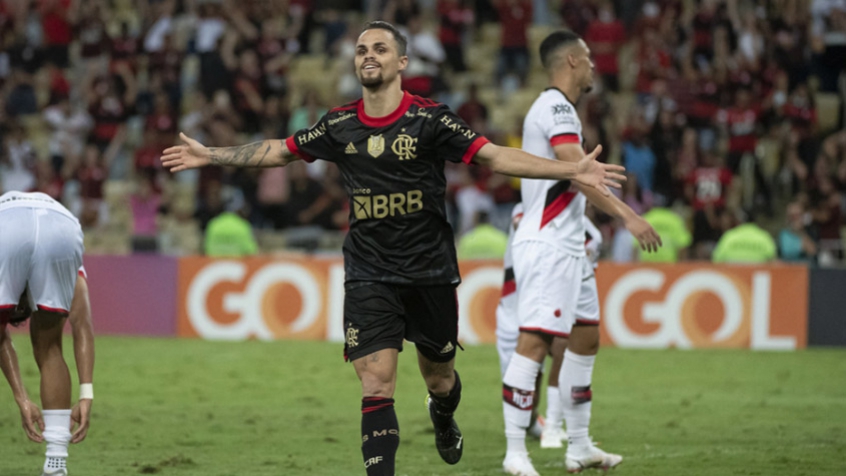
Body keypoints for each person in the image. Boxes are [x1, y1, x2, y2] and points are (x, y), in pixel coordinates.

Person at [161, 21, 626, 476]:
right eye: (362, 49)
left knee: (441, 380)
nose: (369, 56)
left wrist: (571, 171)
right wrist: (212, 154)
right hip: (368, 271)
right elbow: (280, 150)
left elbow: (495, 156)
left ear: (402, 62)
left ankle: (442, 416)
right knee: (376, 381)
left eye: (380, 49)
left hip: (429, 271)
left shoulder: (431, 119)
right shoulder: (339, 125)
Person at [500, 30, 661, 476]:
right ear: (571, 60)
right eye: (588, 58)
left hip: (571, 243)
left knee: (585, 338)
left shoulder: (560, 109)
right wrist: (629, 216)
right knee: (534, 342)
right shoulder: (555, 107)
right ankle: (515, 452)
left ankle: (580, 446)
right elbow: (576, 173)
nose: (594, 66)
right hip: (549, 242)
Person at [0, 191, 95, 476]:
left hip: (7, 224)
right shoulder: (73, 267)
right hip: (62, 224)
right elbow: (82, 323)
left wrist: (22, 399)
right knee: (50, 346)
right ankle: (56, 463)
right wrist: (86, 393)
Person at [496, 207, 603, 450]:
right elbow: (519, 223)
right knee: (522, 386)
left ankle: (553, 425)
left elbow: (581, 278)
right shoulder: (529, 207)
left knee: (563, 350)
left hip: (547, 306)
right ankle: (532, 423)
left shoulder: (593, 235)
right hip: (512, 310)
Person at [712, 212, 777, 263]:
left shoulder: (729, 236)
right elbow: (773, 260)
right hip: (757, 277)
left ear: (739, 221)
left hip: (732, 275)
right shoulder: (764, 237)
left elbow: (716, 259)